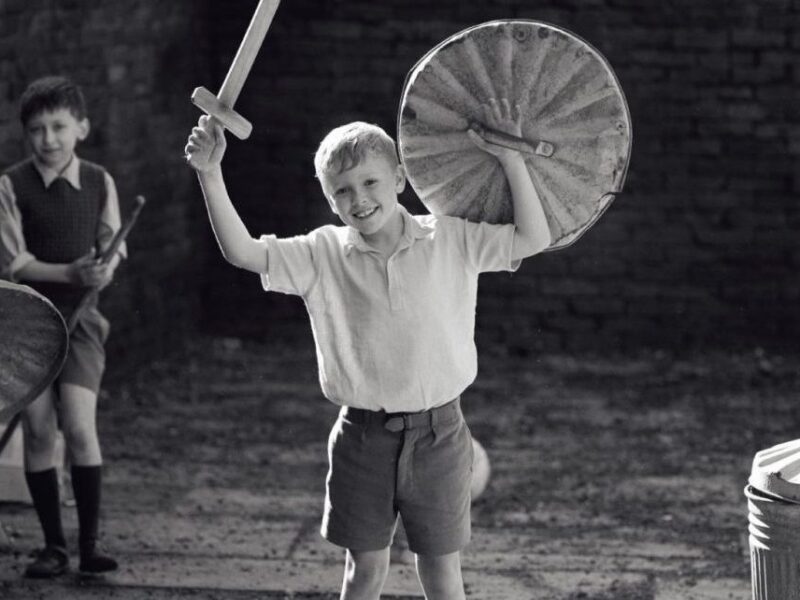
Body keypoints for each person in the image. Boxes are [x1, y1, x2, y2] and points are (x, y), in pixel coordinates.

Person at [184, 97, 550, 599]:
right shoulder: (322, 253)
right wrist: (210, 174)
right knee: (364, 570)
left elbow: (533, 237)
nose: (359, 199)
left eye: (371, 182)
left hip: (441, 435)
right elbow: (242, 252)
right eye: (342, 190)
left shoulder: (450, 239)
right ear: (329, 199)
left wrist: (510, 158)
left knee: (441, 572)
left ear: (399, 179)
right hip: (362, 438)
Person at [0, 75, 125, 578]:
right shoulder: (10, 185)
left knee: (78, 426)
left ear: (81, 128)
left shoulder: (99, 181)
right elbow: (14, 264)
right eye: (37, 129)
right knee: (37, 431)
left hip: (81, 322)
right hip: (25, 324)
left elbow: (112, 247)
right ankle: (53, 546)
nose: (48, 138)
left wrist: (100, 270)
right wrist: (69, 273)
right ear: (26, 134)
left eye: (58, 126)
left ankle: (89, 545)